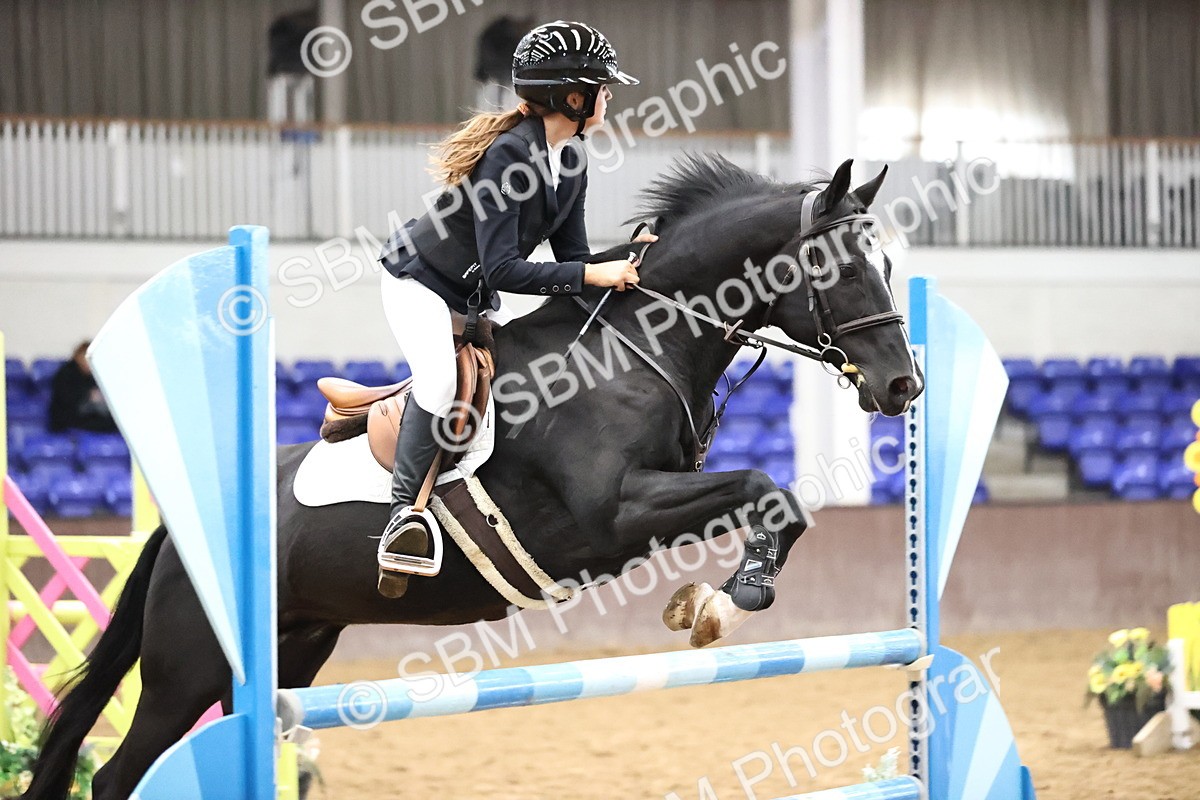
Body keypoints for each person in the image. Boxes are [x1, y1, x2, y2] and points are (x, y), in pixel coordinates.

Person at [376, 20, 655, 578]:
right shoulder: (507, 155)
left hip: (470, 297)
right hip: (420, 285)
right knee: (440, 383)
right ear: (572, 98)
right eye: (602, 88)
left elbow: (574, 257)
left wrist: (631, 256)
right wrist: (593, 274)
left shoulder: (570, 162)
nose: (608, 97)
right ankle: (402, 514)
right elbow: (504, 269)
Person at [47, 341, 118, 434]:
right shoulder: (65, 374)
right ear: (78, 357)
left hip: (86, 414)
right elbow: (67, 400)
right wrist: (87, 395)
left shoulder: (92, 375)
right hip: (68, 417)